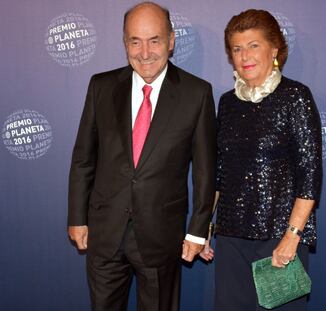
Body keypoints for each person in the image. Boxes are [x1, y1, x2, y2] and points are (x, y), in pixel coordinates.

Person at [67, 2, 216, 310]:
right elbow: (84, 158)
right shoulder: (101, 87)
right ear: (125, 43)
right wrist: (77, 217)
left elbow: (204, 171)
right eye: (135, 41)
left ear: (171, 41)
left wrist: (198, 230)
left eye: (154, 40)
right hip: (105, 233)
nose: (144, 52)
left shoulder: (196, 93)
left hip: (162, 236)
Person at [200, 9, 322, 311]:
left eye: (254, 45)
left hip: (279, 240)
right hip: (230, 240)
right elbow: (220, 173)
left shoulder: (295, 96)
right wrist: (205, 228)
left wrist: (292, 237)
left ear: (275, 49)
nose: (244, 56)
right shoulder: (227, 103)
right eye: (237, 48)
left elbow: (310, 174)